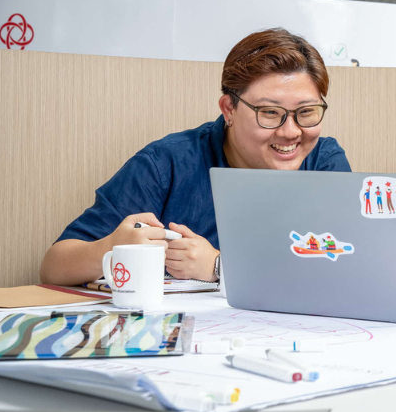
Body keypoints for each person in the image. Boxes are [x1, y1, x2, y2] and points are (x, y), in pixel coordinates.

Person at [40, 28, 350, 286]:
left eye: (306, 112)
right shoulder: (168, 162)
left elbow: (345, 268)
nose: (291, 131)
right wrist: (110, 249)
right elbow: (54, 267)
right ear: (229, 109)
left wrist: (218, 267)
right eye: (270, 113)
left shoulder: (324, 162)